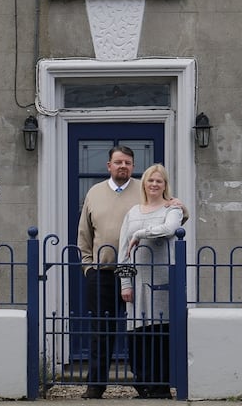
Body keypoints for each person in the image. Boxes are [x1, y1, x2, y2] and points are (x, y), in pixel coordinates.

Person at [76, 146, 184, 399]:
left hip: (140, 275)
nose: (123, 166)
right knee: (101, 330)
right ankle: (95, 386)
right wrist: (88, 266)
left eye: (127, 162)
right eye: (118, 162)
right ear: (109, 166)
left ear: (133, 166)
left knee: (142, 329)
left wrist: (181, 206)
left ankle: (145, 383)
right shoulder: (95, 192)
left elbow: (171, 214)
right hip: (102, 273)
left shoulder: (145, 187)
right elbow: (84, 234)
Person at [116, 163, 186, 400]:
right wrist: (125, 283)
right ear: (144, 183)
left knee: (160, 334)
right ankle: (142, 384)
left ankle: (161, 387)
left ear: (165, 185)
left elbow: (169, 229)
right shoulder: (133, 212)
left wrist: (140, 234)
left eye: (160, 181)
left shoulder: (172, 208)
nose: (155, 184)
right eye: (151, 180)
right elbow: (123, 249)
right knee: (137, 335)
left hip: (162, 282)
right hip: (137, 283)